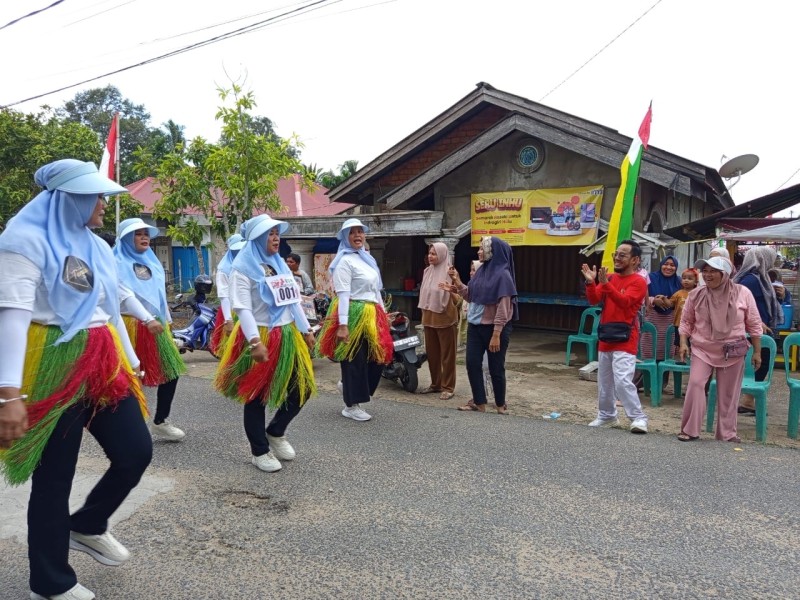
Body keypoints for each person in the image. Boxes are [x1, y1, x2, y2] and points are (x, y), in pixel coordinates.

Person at [0, 159, 152, 600]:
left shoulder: (98, 246)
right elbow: (13, 317)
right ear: (69, 199)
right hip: (51, 360)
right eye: (96, 196)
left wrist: (131, 360)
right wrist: (9, 393)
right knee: (55, 477)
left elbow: (108, 309)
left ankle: (86, 524)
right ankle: (50, 583)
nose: (103, 203)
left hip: (103, 360)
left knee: (136, 451)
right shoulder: (22, 241)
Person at [214, 215, 316, 472]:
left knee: (302, 388)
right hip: (260, 333)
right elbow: (242, 308)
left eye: (276, 233)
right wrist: (254, 341)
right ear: (257, 238)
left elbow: (292, 300)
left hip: (288, 334)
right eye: (270, 233)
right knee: (256, 395)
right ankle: (259, 451)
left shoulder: (279, 263)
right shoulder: (241, 268)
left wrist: (305, 329)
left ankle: (276, 431)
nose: (275, 237)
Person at [115, 217, 188, 442]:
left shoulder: (152, 262)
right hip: (128, 325)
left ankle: (161, 421)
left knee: (171, 372)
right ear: (126, 238)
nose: (144, 237)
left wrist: (167, 321)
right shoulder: (115, 262)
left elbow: (159, 296)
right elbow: (125, 297)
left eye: (146, 233)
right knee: (130, 378)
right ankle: (127, 427)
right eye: (138, 234)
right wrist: (146, 319)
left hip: (156, 326)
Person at [677, 256, 762, 442]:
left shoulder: (743, 293)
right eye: (705, 271)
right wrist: (683, 343)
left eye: (713, 271)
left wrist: (757, 351)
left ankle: (727, 433)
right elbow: (686, 321)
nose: (707, 275)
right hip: (702, 347)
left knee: (728, 393)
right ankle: (690, 429)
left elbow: (754, 323)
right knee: (696, 383)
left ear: (725, 274)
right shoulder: (696, 294)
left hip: (732, 349)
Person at [317, 218, 393, 422]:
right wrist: (343, 325)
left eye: (360, 231)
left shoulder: (368, 259)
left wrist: (384, 315)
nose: (357, 235)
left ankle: (349, 386)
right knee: (354, 359)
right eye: (352, 232)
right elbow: (343, 295)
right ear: (345, 237)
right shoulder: (344, 261)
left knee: (377, 358)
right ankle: (351, 405)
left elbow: (376, 291)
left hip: (372, 313)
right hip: (352, 313)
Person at [580, 239, 649, 433]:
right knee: (604, 382)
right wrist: (590, 282)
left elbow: (625, 302)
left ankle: (638, 418)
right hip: (606, 336)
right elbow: (594, 299)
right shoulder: (609, 278)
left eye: (622, 255)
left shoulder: (639, 281)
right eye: (616, 254)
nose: (617, 258)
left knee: (622, 381)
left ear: (635, 260)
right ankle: (607, 416)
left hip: (626, 338)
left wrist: (605, 284)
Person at [444, 236, 517, 415]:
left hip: (495, 329)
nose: (478, 252)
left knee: (496, 367)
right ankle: (479, 402)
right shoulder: (481, 272)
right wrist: (457, 281)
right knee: (472, 363)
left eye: (482, 249)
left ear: (493, 252)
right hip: (476, 326)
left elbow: (504, 308)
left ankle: (500, 404)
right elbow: (471, 296)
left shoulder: (503, 276)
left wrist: (496, 334)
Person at [733, 246, 783, 414]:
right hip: (752, 329)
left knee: (760, 362)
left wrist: (780, 296)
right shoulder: (751, 280)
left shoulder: (760, 278)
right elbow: (737, 303)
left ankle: (748, 400)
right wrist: (756, 322)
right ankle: (745, 399)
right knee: (758, 362)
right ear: (764, 260)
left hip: (760, 328)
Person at [417, 242, 460, 400]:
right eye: (429, 253)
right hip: (429, 317)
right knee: (432, 354)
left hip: (445, 318)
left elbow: (459, 297)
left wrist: (451, 289)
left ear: (442, 255)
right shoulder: (427, 271)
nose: (430, 256)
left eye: (434, 254)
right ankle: (436, 384)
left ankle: (448, 387)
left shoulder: (451, 272)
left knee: (447, 356)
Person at [209, 232, 246, 355]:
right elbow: (224, 296)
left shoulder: (248, 266)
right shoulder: (224, 270)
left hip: (248, 311)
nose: (240, 252)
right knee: (234, 350)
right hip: (233, 312)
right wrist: (229, 320)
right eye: (237, 250)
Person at [644, 256, 681, 367]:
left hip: (670, 321)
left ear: (676, 267)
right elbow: (641, 296)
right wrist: (653, 300)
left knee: (666, 353)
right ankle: (647, 375)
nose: (668, 267)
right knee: (648, 351)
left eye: (672, 265)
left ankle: (663, 377)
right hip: (652, 318)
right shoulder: (650, 278)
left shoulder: (679, 281)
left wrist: (669, 302)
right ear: (661, 265)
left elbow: (683, 299)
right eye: (666, 264)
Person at [663, 268, 699, 347]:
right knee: (680, 344)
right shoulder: (678, 293)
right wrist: (664, 299)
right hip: (679, 324)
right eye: (684, 278)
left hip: (694, 324)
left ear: (696, 282)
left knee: (693, 345)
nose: (686, 280)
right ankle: (681, 355)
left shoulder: (698, 293)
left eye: (689, 279)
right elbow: (671, 304)